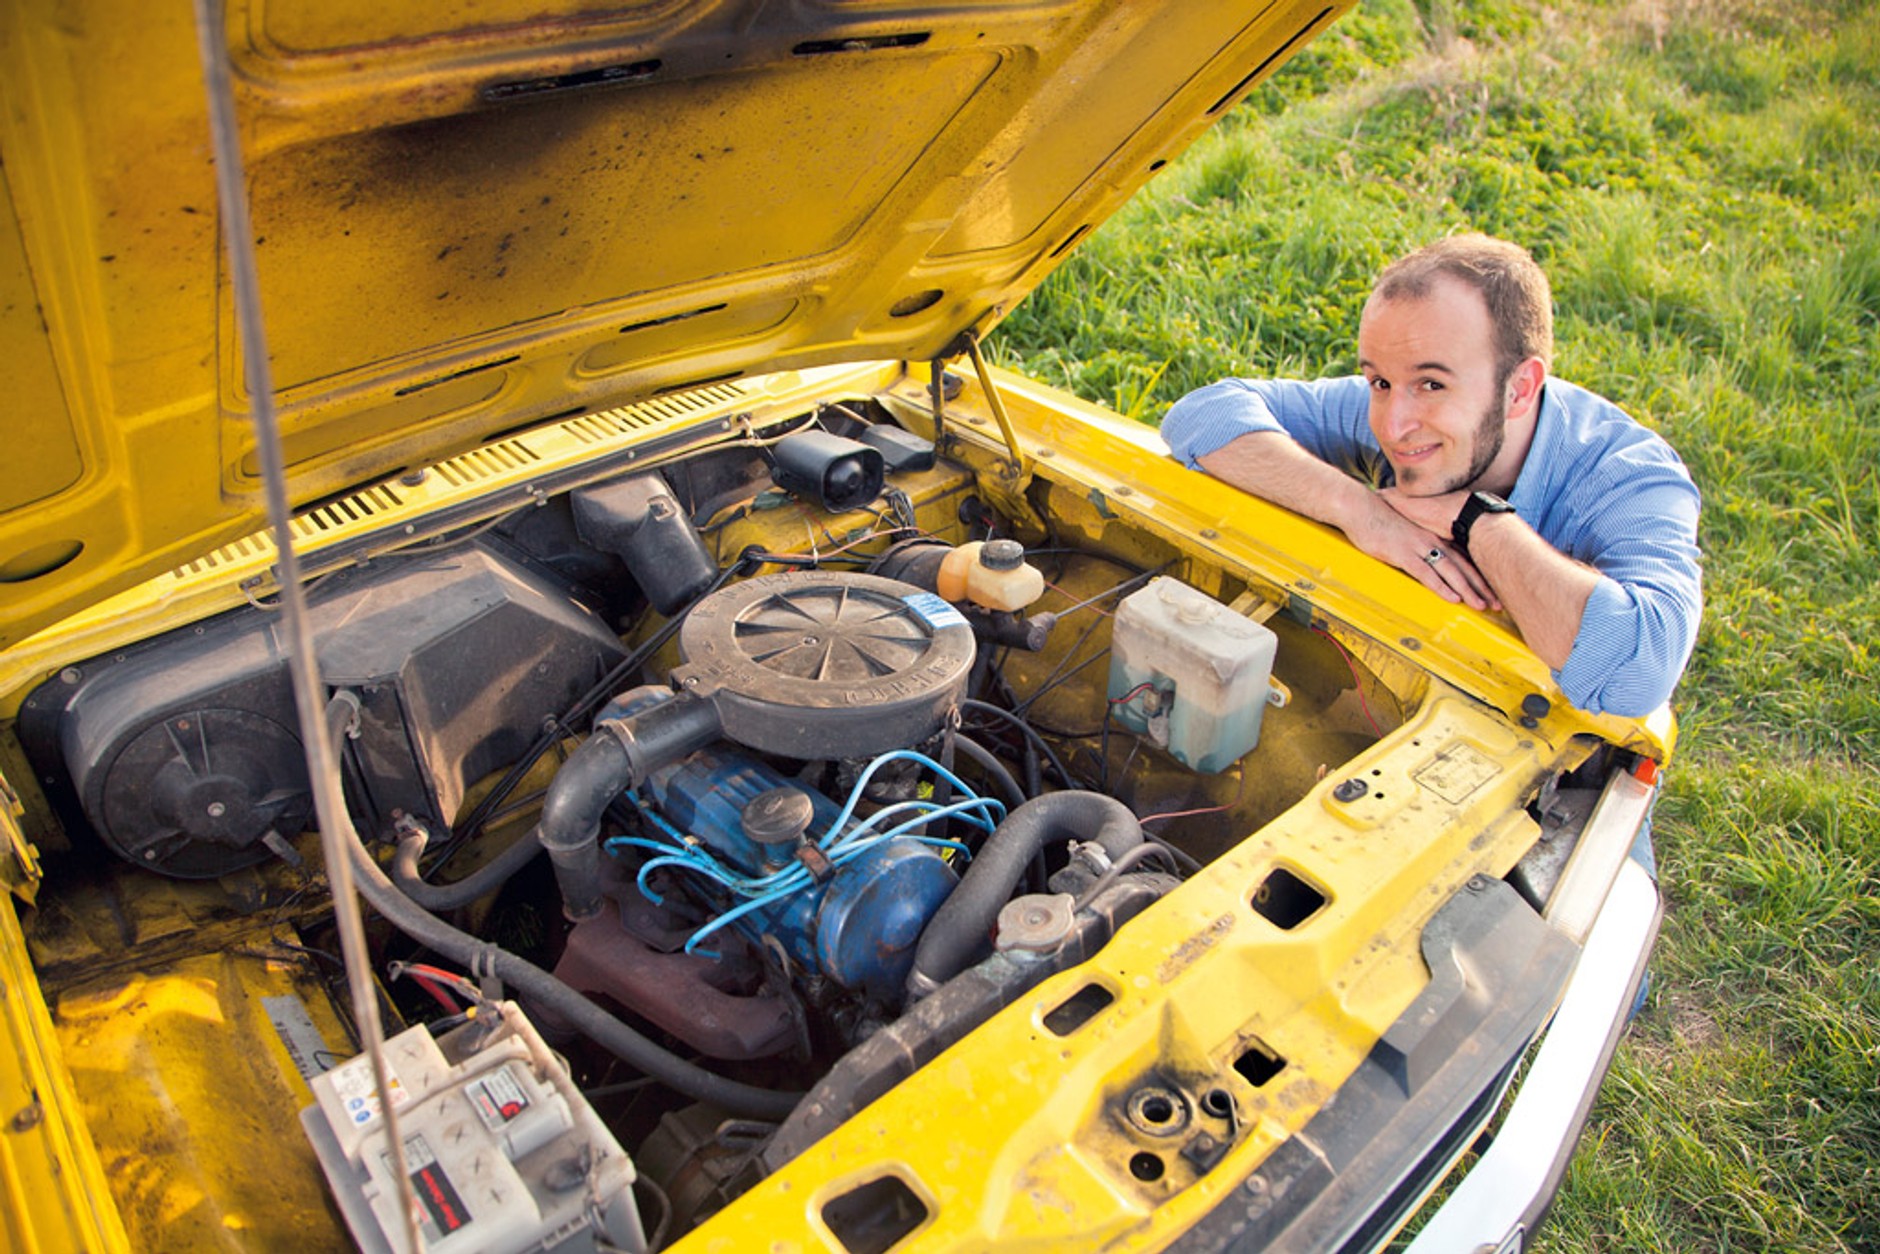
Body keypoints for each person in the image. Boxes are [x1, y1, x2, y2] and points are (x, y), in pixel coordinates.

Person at [1160, 234, 1701, 719]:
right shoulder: (1394, 409)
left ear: (1519, 389)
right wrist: (1360, 510)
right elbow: (1203, 414)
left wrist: (1477, 521)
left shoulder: (1632, 477)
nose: (1393, 426)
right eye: (1378, 381)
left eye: (1432, 386)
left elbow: (1637, 673)